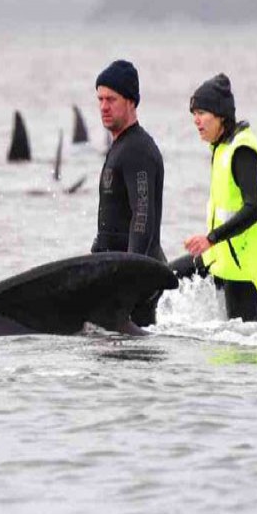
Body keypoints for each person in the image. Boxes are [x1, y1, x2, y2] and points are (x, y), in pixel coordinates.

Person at [175, 73, 257, 322]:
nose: (196, 121)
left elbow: (254, 209)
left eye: (201, 113)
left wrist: (211, 238)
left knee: (240, 348)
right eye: (193, 114)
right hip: (219, 256)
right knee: (165, 278)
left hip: (242, 268)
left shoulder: (242, 150)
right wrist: (210, 242)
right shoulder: (221, 148)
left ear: (220, 115)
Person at [91, 59, 166, 326]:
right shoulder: (121, 146)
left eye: (111, 99)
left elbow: (142, 215)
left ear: (131, 101)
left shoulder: (138, 150)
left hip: (135, 279)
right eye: (99, 99)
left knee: (132, 361)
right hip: (118, 273)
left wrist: (130, 276)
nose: (103, 107)